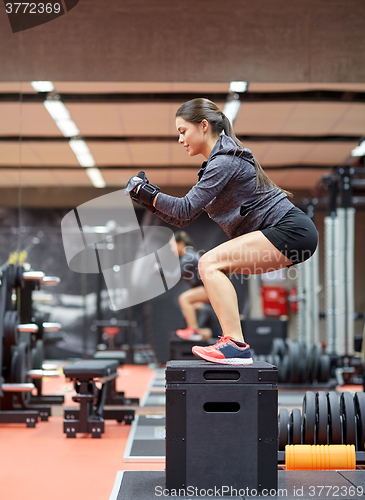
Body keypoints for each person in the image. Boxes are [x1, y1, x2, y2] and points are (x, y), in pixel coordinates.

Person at [125, 98, 318, 365]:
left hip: (292, 229)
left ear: (203, 125)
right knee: (214, 266)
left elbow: (184, 207)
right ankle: (231, 342)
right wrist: (147, 199)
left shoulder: (224, 162)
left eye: (183, 131)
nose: (180, 139)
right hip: (289, 234)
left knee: (209, 263)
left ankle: (235, 345)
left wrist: (149, 194)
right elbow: (183, 217)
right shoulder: (217, 165)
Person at [166, 230, 213, 341]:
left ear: (181, 244)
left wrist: (159, 270)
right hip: (205, 288)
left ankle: (194, 331)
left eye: (173, 246)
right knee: (189, 303)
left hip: (209, 288)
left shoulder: (188, 257)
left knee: (184, 298)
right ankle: (195, 330)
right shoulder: (190, 255)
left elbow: (174, 278)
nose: (172, 250)